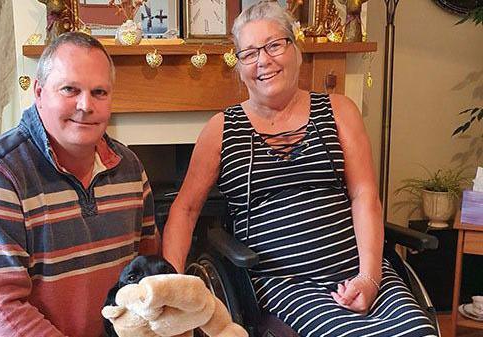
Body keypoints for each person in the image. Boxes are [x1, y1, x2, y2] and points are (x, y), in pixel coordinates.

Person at [162, 2, 438, 336]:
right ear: (239, 66)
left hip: (356, 270)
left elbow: (364, 194)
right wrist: (173, 287)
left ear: (296, 49)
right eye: (249, 53)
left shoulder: (339, 111)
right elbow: (186, 208)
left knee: (417, 330)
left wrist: (368, 278)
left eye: (274, 45)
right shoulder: (221, 130)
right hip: (284, 286)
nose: (263, 60)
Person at [0, 32, 159, 337]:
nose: (86, 105)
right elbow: (1, 314)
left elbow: (146, 272)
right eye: (70, 89)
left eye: (99, 92)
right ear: (39, 91)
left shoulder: (131, 170)